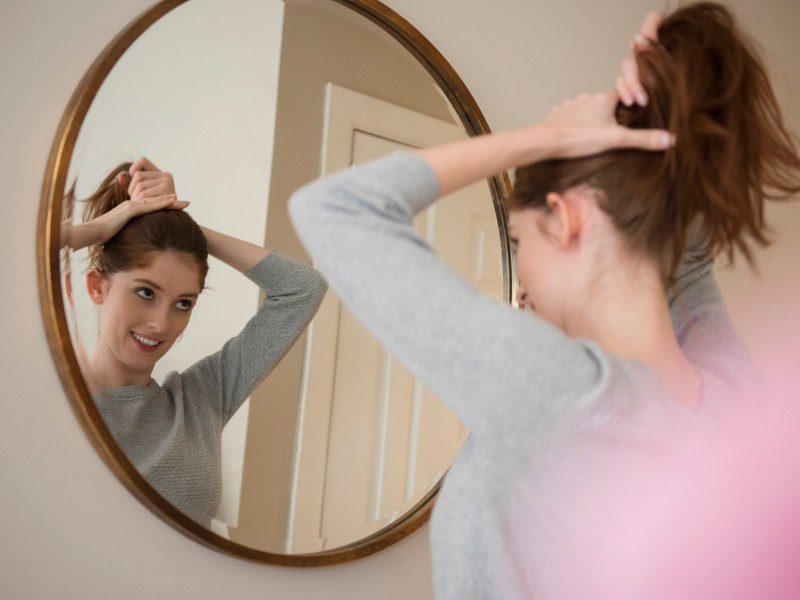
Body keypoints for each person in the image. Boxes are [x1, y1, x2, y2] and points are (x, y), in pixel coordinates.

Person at [289, 3, 800, 599]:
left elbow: (333, 209)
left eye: (518, 239)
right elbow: (686, 255)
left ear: (564, 219)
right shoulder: (735, 399)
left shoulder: (557, 390)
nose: (520, 281)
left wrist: (548, 138)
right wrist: (660, 105)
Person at [61, 157, 327, 527]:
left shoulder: (201, 400)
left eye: (183, 303)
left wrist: (180, 222)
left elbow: (302, 289)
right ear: (96, 287)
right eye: (145, 292)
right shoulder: (54, 400)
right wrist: (101, 227)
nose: (161, 324)